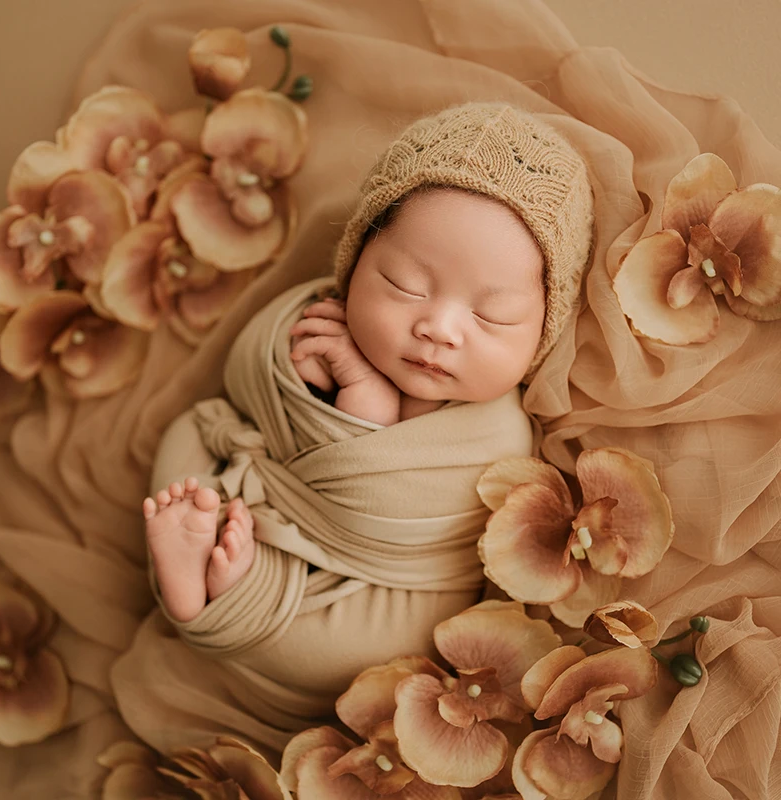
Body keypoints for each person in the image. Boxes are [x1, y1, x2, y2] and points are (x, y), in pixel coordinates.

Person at [140, 102, 595, 671]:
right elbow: (249, 383)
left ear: (541, 338)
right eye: (405, 285)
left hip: (387, 587)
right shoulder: (315, 319)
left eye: (493, 317)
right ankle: (209, 566)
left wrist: (364, 400)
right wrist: (297, 380)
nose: (439, 329)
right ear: (354, 265)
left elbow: (386, 504)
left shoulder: (497, 432)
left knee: (366, 653)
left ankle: (228, 590)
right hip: (254, 492)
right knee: (190, 433)